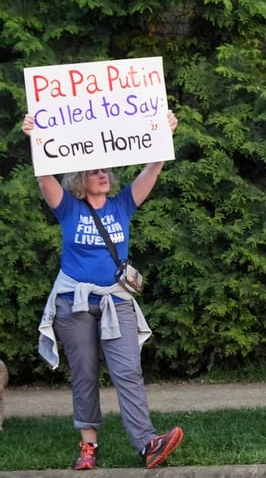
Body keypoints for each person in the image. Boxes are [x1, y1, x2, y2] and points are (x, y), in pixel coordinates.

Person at [24, 112, 184, 471]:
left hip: (117, 300)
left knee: (128, 371)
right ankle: (88, 447)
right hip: (73, 302)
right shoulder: (68, 207)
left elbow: (152, 170)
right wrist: (36, 137)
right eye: (96, 171)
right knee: (83, 373)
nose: (104, 175)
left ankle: (147, 443)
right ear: (81, 177)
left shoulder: (122, 205)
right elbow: (43, 175)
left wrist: (164, 135)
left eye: (106, 171)